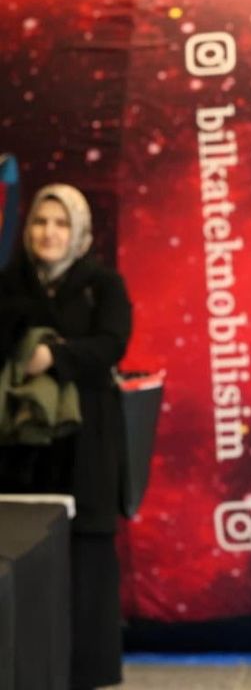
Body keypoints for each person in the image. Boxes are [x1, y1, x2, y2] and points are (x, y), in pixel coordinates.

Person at [0, 183, 132, 689]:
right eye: (40, 221)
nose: (49, 233)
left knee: (87, 558)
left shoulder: (102, 284)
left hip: (87, 445)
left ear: (79, 232)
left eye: (61, 223)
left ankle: (87, 674)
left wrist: (53, 355)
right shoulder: (9, 284)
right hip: (23, 447)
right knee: (25, 552)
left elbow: (112, 344)